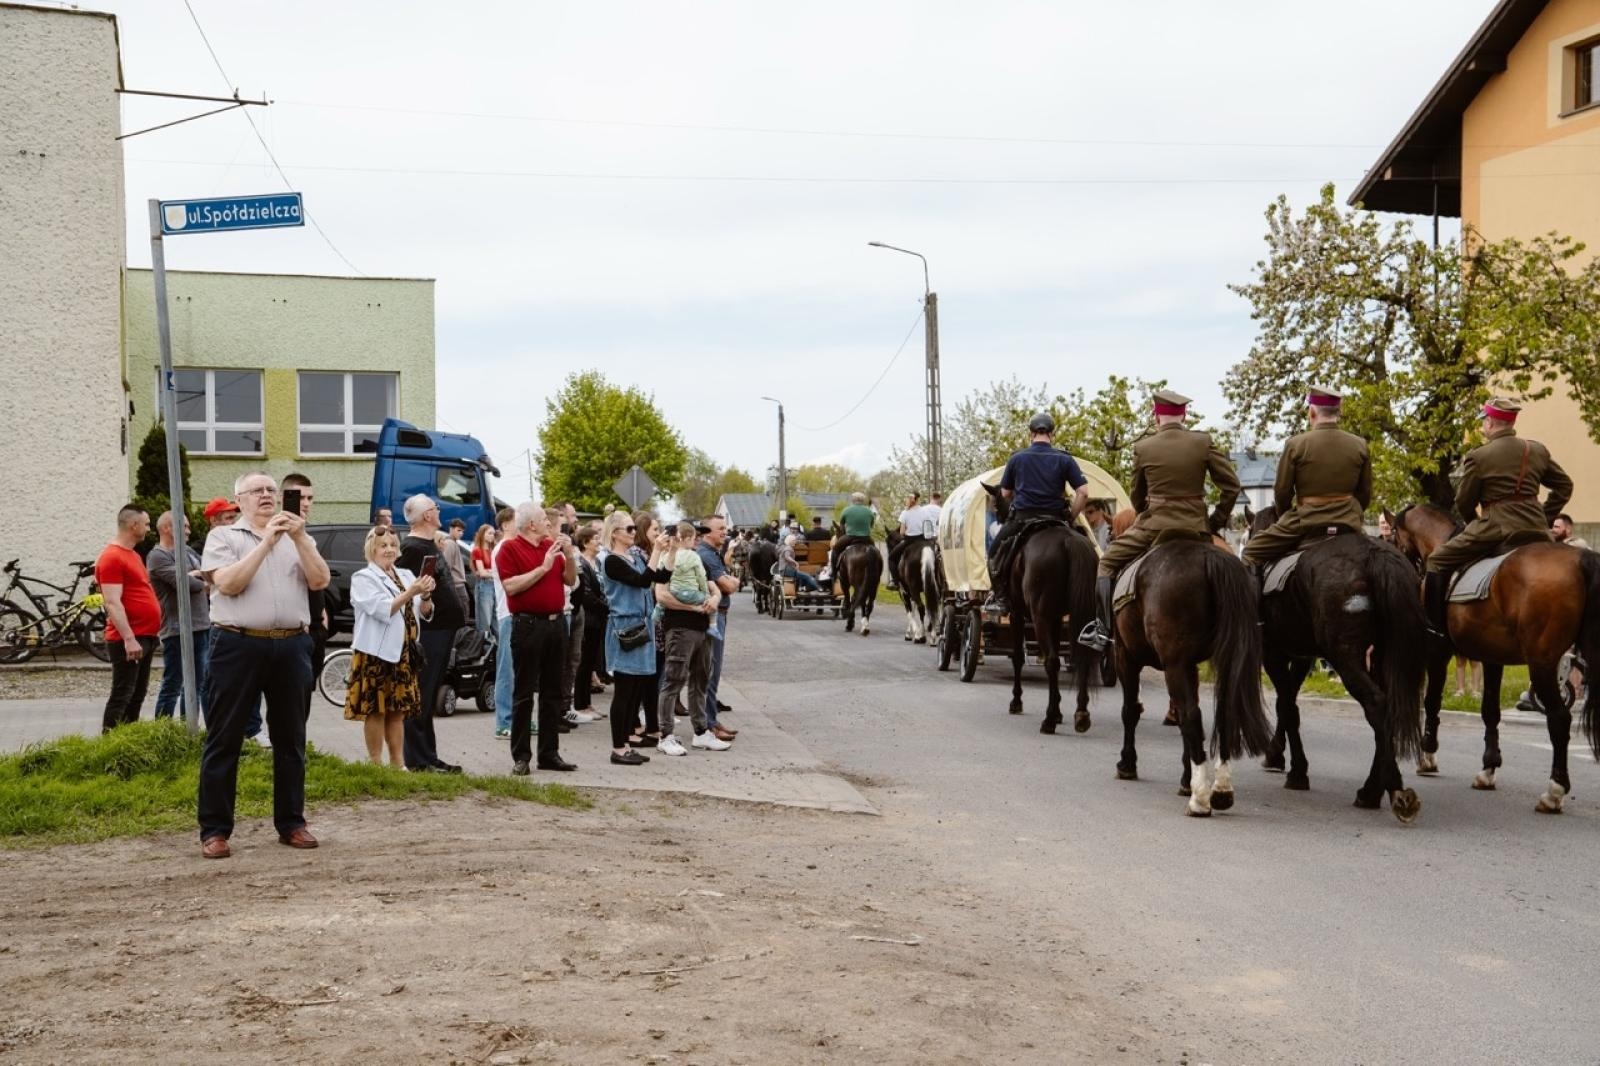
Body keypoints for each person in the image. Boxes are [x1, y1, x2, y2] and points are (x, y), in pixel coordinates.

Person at [196, 472, 331, 859]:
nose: (267, 496)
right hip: (236, 644)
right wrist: (268, 540)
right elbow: (230, 584)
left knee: (291, 739)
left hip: (290, 645)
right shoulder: (224, 537)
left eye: (272, 490)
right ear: (240, 500)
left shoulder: (299, 537)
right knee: (225, 738)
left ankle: (292, 822)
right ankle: (215, 829)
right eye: (257, 491)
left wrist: (299, 537)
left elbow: (319, 580)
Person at [1084, 390, 1240, 651]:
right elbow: (1232, 488)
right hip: (1196, 527)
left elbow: (1137, 497)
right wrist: (1215, 521)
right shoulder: (1203, 442)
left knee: (1107, 563)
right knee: (1235, 565)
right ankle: (1250, 624)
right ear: (1185, 415)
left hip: (1153, 527)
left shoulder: (1144, 448)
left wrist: (1146, 512)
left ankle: (1102, 631)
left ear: (1156, 417)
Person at [1423, 399, 1574, 635]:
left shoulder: (1479, 456)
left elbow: (1464, 502)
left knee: (1436, 560)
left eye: (1484, 420)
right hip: (1537, 529)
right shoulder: (1536, 450)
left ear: (1490, 422)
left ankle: (1435, 629)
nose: (1483, 425)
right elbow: (1564, 486)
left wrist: (1474, 523)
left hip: (1495, 528)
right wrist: (1544, 517)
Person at [1240, 387, 1372, 577]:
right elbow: (1365, 493)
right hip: (1348, 521)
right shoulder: (1359, 444)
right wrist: (1352, 512)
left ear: (1311, 412)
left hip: (1305, 521)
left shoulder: (1296, 444)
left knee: (1250, 552)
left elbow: (1282, 491)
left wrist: (1284, 514)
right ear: (1339, 411)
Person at [497, 501, 579, 774]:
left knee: (552, 692)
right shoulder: (509, 548)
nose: (549, 523)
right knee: (524, 693)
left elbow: (569, 580)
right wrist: (543, 568)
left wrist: (569, 555)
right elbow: (511, 586)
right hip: (528, 626)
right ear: (531, 524)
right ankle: (521, 756)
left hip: (556, 624)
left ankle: (549, 753)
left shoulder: (551, 547)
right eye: (544, 519)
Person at [985, 413, 1092, 615]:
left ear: (1031, 434)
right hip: (1056, 518)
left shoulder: (1017, 458)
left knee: (994, 554)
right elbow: (1083, 492)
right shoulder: (1064, 459)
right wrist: (1070, 516)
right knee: (1087, 548)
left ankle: (1000, 599)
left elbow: (1006, 493)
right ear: (1052, 434)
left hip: (1022, 518)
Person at [345, 525, 434, 766]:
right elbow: (382, 609)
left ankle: (398, 763)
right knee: (376, 710)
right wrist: (410, 593)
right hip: (375, 653)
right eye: (383, 546)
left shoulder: (405, 574)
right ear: (371, 549)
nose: (389, 550)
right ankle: (375, 763)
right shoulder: (363, 577)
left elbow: (423, 613)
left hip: (404, 652)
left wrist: (425, 595)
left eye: (393, 545)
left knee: (398, 711)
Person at [596, 510, 671, 765]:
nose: (633, 533)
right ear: (615, 532)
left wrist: (670, 551)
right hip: (626, 628)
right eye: (629, 529)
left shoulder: (633, 557)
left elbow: (661, 576)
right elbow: (641, 582)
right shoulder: (612, 561)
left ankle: (627, 742)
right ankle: (618, 748)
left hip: (643, 625)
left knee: (637, 689)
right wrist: (658, 551)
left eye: (633, 528)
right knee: (624, 691)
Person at [397, 495, 465, 774]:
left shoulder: (427, 543)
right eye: (435, 508)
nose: (439, 512)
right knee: (421, 694)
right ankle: (417, 758)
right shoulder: (412, 547)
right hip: (430, 630)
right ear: (427, 515)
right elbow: (407, 587)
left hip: (441, 628)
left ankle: (428, 755)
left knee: (428, 693)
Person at [654, 522, 725, 755]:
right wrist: (692, 608)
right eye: (694, 535)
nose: (696, 539)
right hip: (680, 628)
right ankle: (665, 735)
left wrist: (713, 600)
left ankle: (701, 732)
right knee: (674, 679)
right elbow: (662, 596)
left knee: (701, 679)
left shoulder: (697, 559)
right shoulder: (666, 559)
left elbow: (714, 588)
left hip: (703, 628)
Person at [96, 504, 161, 733]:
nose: (149, 528)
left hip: (146, 636)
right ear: (134, 525)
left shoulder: (132, 555)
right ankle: (111, 741)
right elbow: (113, 601)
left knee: (137, 694)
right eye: (146, 523)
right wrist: (128, 638)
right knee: (123, 693)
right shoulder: (112, 557)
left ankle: (128, 738)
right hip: (129, 638)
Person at [148, 510, 210, 723]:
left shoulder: (188, 551)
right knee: (173, 683)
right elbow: (186, 584)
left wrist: (197, 576)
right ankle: (162, 729)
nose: (188, 531)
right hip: (176, 629)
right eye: (184, 526)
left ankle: (188, 728)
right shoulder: (158, 555)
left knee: (196, 684)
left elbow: (209, 571)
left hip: (201, 625)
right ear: (167, 528)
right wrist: (196, 578)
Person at [281, 472, 328, 723]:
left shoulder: (306, 537)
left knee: (306, 693)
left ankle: (301, 749)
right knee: (292, 701)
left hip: (315, 628)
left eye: (310, 497)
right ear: (284, 497)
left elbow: (317, 580)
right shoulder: (277, 535)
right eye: (300, 497)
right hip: (295, 630)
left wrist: (322, 615)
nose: (307, 503)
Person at [697, 516, 740, 739]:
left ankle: (711, 719)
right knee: (710, 671)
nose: (725, 532)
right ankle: (708, 723)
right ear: (706, 532)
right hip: (714, 616)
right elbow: (727, 586)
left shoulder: (712, 553)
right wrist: (733, 581)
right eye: (720, 528)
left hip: (720, 614)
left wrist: (730, 581)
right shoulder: (706, 554)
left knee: (712, 670)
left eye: (725, 527)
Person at [572, 526, 609, 713]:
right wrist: (607, 608)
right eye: (595, 538)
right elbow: (586, 594)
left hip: (598, 618)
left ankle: (587, 703)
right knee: (584, 662)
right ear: (585, 542)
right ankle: (580, 703)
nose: (598, 542)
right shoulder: (581, 563)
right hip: (588, 618)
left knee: (591, 661)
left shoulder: (598, 564)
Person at [489, 506, 517, 739]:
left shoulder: (513, 546)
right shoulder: (503, 548)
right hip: (508, 613)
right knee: (506, 668)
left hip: (517, 614)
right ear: (506, 524)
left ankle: (518, 718)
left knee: (518, 670)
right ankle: (504, 721)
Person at [828, 493, 877, 581]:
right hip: (866, 537)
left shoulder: (846, 510)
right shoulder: (869, 511)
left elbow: (842, 524)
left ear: (853, 500)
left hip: (850, 536)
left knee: (835, 550)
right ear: (863, 500)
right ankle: (876, 572)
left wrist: (844, 531)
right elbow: (872, 525)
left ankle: (834, 573)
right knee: (876, 552)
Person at [470, 524, 499, 635]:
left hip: (494, 585)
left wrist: (490, 572)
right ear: (482, 534)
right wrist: (494, 573)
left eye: (493, 533)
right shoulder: (478, 550)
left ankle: (497, 649)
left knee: (496, 620)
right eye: (489, 533)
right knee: (484, 622)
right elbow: (481, 572)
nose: (492, 536)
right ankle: (484, 648)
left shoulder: (493, 550)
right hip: (484, 585)